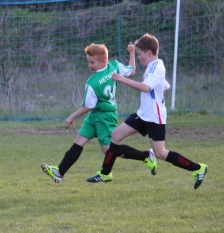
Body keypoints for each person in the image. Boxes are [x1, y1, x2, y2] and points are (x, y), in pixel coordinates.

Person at [87, 33, 208, 190]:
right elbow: (164, 86)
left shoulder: (157, 67)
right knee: (116, 135)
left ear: (149, 53)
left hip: (154, 117)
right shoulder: (152, 66)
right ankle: (105, 173)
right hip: (143, 113)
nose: (138, 57)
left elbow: (146, 87)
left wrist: (122, 79)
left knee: (160, 153)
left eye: (139, 54)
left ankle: (198, 168)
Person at [41, 42, 137, 183]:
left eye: (92, 62)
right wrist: (132, 53)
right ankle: (59, 172)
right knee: (79, 141)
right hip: (95, 116)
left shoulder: (92, 82)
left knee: (108, 150)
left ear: (102, 61)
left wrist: (72, 115)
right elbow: (132, 71)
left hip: (105, 116)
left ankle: (146, 156)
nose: (89, 65)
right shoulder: (114, 65)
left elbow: (88, 106)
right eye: (88, 62)